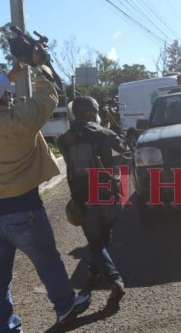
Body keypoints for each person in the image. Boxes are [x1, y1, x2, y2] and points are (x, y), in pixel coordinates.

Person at [0, 49, 91, 332]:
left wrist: (7, 78)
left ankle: (6, 327)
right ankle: (66, 306)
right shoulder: (19, 120)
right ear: (5, 98)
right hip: (23, 210)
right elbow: (48, 94)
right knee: (48, 263)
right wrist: (38, 67)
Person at [57, 96, 126, 301]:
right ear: (90, 112)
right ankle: (112, 278)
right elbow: (124, 149)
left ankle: (95, 272)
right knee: (104, 236)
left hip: (82, 196)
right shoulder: (106, 134)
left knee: (96, 241)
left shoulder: (64, 139)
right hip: (107, 194)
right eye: (96, 110)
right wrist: (112, 126)